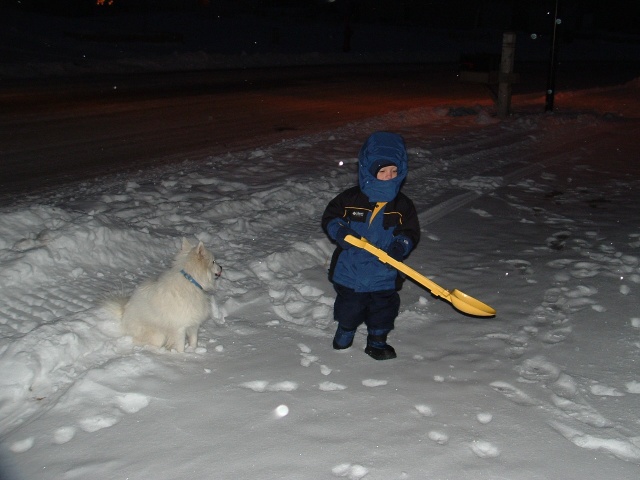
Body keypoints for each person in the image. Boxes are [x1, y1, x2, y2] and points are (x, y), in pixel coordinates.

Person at [322, 131, 420, 360]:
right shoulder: (350, 199)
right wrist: (341, 232)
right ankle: (345, 330)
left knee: (383, 309)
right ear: (370, 170)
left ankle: (377, 341)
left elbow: (410, 231)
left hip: (384, 270)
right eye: (383, 171)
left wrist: (400, 246)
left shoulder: (402, 205)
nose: (389, 176)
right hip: (351, 268)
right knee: (350, 307)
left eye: (394, 171)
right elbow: (331, 217)